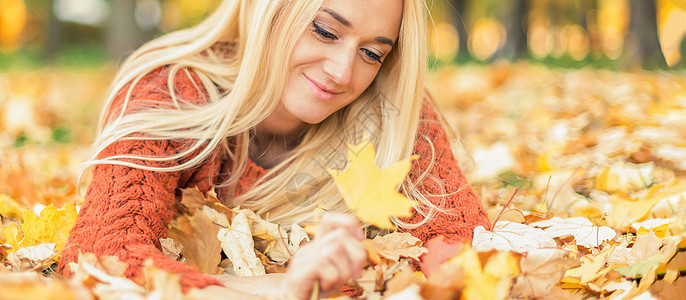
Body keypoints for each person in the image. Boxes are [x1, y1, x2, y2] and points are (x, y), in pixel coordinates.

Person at [56, 0, 490, 298]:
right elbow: (101, 258)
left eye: (372, 54)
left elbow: (459, 245)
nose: (342, 72)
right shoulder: (170, 92)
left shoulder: (392, 110)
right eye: (324, 31)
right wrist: (280, 291)